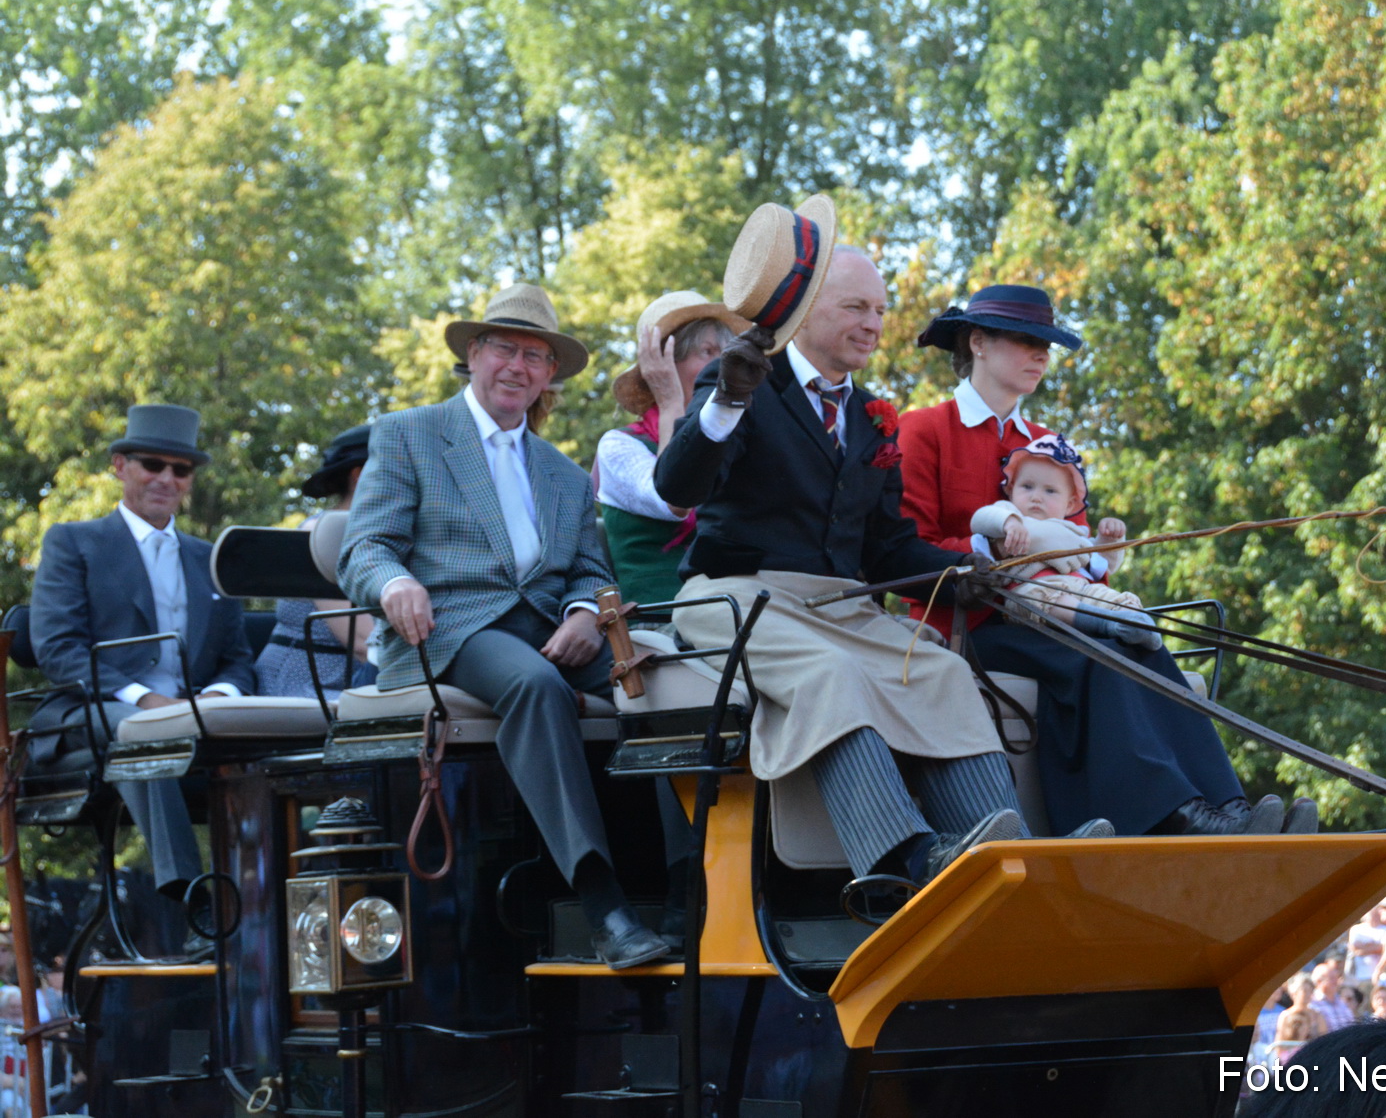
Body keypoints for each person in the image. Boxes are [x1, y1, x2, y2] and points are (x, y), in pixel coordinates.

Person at [655, 201, 1092, 887]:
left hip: (843, 604)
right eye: (857, 306)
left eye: (882, 310)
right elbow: (678, 485)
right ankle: (903, 864)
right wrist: (726, 404)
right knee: (831, 673)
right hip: (737, 596)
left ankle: (1008, 857)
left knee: (943, 670)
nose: (875, 324)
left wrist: (963, 572)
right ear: (807, 310)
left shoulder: (871, 416)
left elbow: (888, 550)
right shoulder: (742, 382)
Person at [897, 284, 1314, 838]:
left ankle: (1230, 808)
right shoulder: (924, 430)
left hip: (1057, 612)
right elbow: (907, 543)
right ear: (978, 342)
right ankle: (1175, 815)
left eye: (1046, 344)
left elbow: (1078, 554)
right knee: (1096, 652)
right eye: (1027, 341)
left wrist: (1100, 554)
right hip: (968, 626)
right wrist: (982, 563)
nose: (1042, 355)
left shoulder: (1050, 445)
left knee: (1140, 640)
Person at [338, 283, 668, 970]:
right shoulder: (409, 434)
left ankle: (679, 881)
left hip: (546, 625)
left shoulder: (566, 475)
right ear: (474, 356)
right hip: (449, 628)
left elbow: (591, 571)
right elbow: (364, 547)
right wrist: (395, 583)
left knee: (668, 676)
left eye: (535, 356)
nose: (518, 366)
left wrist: (584, 611)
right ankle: (603, 903)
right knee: (535, 684)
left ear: (550, 375)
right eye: (505, 349)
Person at [29, 404, 255, 919]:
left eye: (180, 470)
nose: (166, 479)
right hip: (93, 711)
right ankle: (195, 899)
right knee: (143, 735)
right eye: (153, 464)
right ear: (120, 466)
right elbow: (58, 650)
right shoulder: (75, 542)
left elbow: (238, 660)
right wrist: (146, 699)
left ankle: (264, 890)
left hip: (193, 713)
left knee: (269, 745)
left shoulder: (209, 558)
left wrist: (219, 697)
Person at [595, 292, 748, 605]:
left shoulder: (738, 441)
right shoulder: (619, 446)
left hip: (744, 613)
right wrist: (670, 402)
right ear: (662, 364)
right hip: (663, 625)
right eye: (707, 352)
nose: (722, 366)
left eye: (727, 354)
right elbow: (673, 499)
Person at [964, 433, 1158, 649]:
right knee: (1039, 599)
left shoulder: (1075, 533)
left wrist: (1109, 539)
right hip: (1030, 589)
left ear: (1069, 505)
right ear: (1010, 490)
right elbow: (980, 520)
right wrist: (1009, 523)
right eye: (1027, 486)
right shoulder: (1009, 514)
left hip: (1079, 587)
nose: (1036, 497)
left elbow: (1103, 566)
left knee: (1109, 597)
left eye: (1050, 491)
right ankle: (1103, 624)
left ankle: (1137, 625)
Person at [254, 425, 378, 699]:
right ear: (359, 476)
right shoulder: (320, 535)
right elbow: (361, 641)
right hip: (307, 685)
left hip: (356, 684)